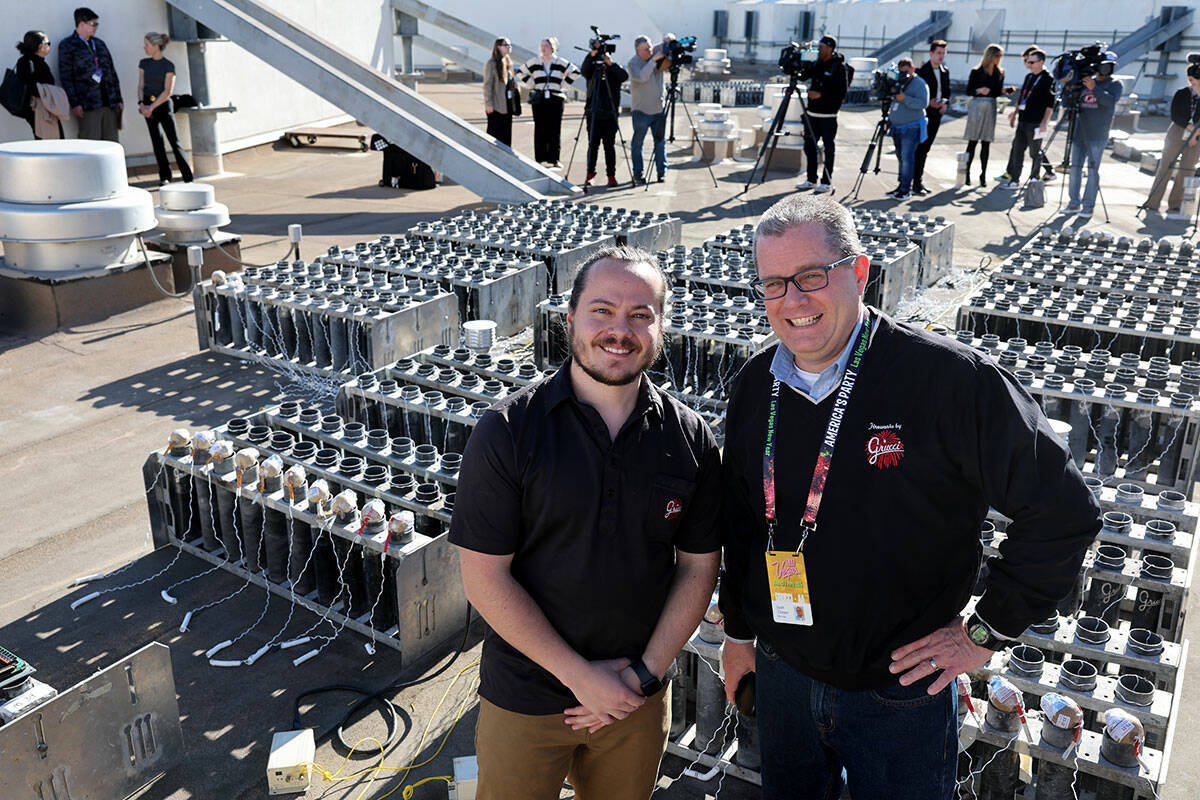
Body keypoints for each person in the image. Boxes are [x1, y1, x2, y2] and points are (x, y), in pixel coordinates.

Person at [718, 194, 1100, 800]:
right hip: (784, 672)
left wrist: (986, 631)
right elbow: (741, 519)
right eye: (773, 284)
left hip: (899, 689)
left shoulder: (947, 379)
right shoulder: (756, 384)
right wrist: (740, 635)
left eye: (812, 276)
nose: (793, 300)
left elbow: (1063, 512)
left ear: (861, 271)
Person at [450, 245, 722, 800]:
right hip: (525, 697)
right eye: (602, 310)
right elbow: (485, 580)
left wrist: (642, 676)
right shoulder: (507, 431)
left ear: (661, 328)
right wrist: (582, 678)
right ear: (569, 317)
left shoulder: (689, 440)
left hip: (635, 699)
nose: (620, 330)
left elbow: (698, 570)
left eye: (641, 315)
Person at [1061, 52, 1121, 219]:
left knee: (1093, 170)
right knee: (1075, 169)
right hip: (1078, 131)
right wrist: (1068, 88)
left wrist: (1095, 88)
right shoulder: (1083, 82)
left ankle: (1088, 206)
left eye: (1108, 66)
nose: (1105, 69)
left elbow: (1109, 101)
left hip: (1098, 134)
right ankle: (1074, 202)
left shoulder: (1115, 84)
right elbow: (1067, 103)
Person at [58, 7, 123, 141]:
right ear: (81, 24)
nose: (96, 27)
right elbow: (66, 77)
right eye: (93, 24)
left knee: (112, 143)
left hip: (109, 103)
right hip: (88, 104)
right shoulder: (68, 45)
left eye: (96, 24)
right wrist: (75, 103)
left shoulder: (99, 44)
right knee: (91, 143)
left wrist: (118, 98)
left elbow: (112, 71)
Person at [1145, 61, 1200, 216]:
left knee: (1187, 169)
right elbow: (1176, 115)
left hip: (1197, 135)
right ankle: (1153, 202)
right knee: (1166, 166)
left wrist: (1195, 134)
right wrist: (1191, 130)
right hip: (1178, 130)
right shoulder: (1182, 93)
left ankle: (1176, 203)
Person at [138, 32, 193, 185]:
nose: (145, 48)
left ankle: (187, 177)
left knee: (174, 141)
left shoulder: (168, 65)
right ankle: (165, 176)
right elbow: (141, 85)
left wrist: (152, 107)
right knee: (157, 142)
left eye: (147, 45)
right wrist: (142, 104)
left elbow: (167, 91)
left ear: (156, 46)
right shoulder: (144, 63)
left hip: (162, 106)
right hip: (148, 105)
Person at [796, 35, 847, 193]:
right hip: (812, 113)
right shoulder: (816, 62)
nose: (819, 49)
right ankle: (811, 179)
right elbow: (803, 76)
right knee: (809, 146)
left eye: (822, 47)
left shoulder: (838, 67)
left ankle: (826, 181)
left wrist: (821, 95)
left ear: (830, 48)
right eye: (818, 47)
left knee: (828, 148)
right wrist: (802, 62)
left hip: (828, 116)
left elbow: (842, 92)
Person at [517, 37, 579, 168]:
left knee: (555, 129)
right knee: (540, 128)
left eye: (546, 45)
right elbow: (520, 72)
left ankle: (554, 159)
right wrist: (532, 83)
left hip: (555, 98)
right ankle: (539, 158)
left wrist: (564, 83)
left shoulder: (559, 61)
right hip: (539, 99)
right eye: (542, 45)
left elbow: (575, 71)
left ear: (552, 47)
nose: (543, 48)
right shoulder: (535, 61)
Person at [998, 48, 1055, 188]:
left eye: (1031, 62)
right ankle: (1014, 180)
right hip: (1023, 120)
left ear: (1041, 62)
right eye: (1027, 61)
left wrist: (1044, 123)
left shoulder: (1048, 79)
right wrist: (1014, 113)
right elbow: (1023, 97)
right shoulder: (1029, 77)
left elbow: (1050, 105)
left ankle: (1034, 178)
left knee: (1035, 152)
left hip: (1036, 122)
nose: (1028, 64)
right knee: (1017, 150)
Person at [580, 43, 628, 188]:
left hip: (610, 114)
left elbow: (623, 76)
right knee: (593, 146)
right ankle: (590, 174)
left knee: (609, 146)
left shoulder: (614, 68)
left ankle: (611, 176)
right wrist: (592, 54)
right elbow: (584, 71)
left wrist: (610, 64)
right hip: (593, 113)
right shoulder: (592, 68)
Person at [963, 44, 1009, 187]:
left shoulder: (999, 73)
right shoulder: (977, 71)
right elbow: (968, 90)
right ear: (990, 56)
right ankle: (966, 174)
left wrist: (1005, 91)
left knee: (986, 142)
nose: (999, 59)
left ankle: (983, 175)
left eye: (1001, 56)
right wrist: (979, 90)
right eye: (997, 56)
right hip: (977, 105)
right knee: (972, 142)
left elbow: (996, 91)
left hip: (990, 106)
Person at [627, 34, 669, 185]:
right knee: (638, 144)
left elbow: (665, 44)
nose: (650, 50)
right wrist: (653, 61)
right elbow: (642, 77)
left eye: (651, 47)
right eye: (646, 49)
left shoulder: (654, 54)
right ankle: (638, 174)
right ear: (638, 50)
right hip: (641, 111)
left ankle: (661, 172)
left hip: (658, 108)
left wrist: (668, 40)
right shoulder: (633, 64)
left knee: (660, 142)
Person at [885, 58, 929, 202]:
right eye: (901, 72)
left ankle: (905, 189)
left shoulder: (919, 83)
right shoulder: (898, 82)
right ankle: (901, 186)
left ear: (913, 69)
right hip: (897, 126)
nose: (904, 74)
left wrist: (905, 98)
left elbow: (923, 103)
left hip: (911, 126)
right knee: (901, 158)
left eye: (906, 71)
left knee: (907, 159)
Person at [911, 40, 950, 195]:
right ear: (931, 53)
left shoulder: (945, 70)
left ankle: (918, 181)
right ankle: (914, 182)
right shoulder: (922, 72)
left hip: (937, 114)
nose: (941, 56)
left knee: (926, 149)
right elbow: (917, 95)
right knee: (919, 149)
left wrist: (945, 103)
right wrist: (929, 103)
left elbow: (946, 91)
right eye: (939, 53)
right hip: (924, 115)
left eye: (944, 53)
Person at [14, 31, 64, 139]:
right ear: (40, 46)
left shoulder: (38, 61)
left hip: (44, 107)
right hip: (37, 109)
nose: (49, 46)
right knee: (48, 140)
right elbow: (30, 86)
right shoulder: (27, 62)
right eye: (48, 43)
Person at [482, 37, 515, 146]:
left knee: (506, 136)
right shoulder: (491, 63)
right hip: (496, 106)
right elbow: (487, 85)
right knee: (495, 135)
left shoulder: (508, 62)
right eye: (506, 45)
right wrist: (489, 104)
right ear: (498, 47)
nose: (509, 47)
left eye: (510, 45)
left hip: (507, 105)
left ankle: (505, 159)